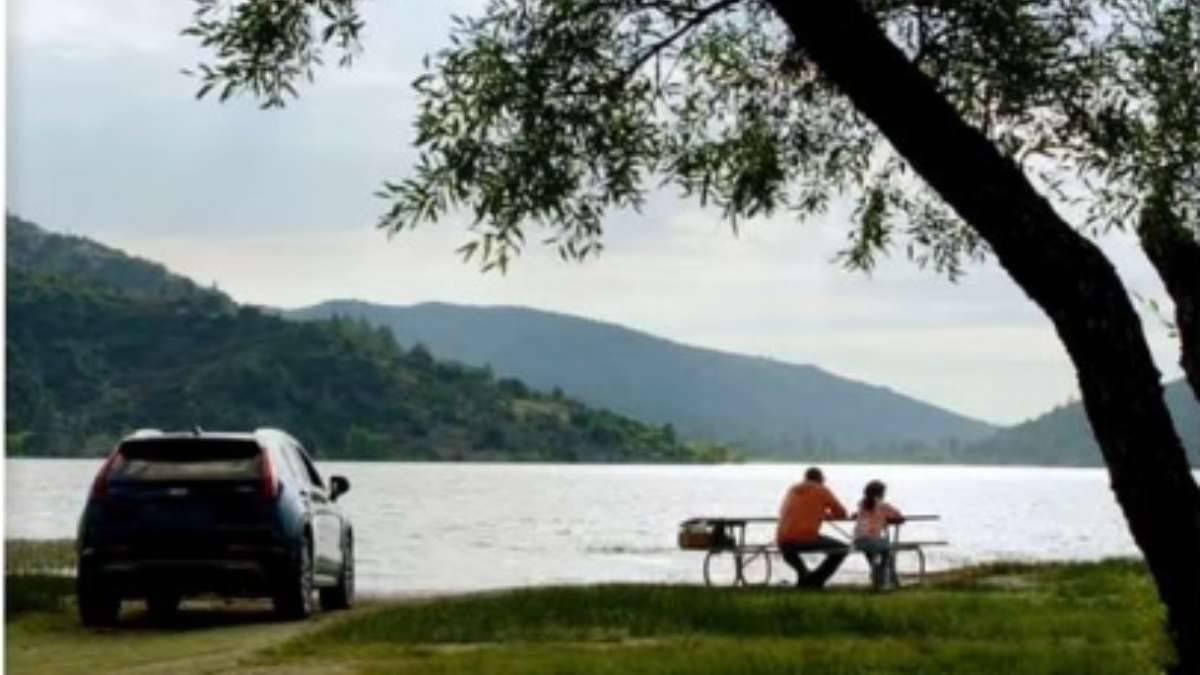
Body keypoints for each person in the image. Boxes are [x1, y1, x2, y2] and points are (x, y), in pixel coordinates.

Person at [776, 467, 849, 588]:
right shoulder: (821, 490)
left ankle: (805, 577)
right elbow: (842, 513)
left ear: (805, 478)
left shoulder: (792, 489)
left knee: (790, 551)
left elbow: (791, 510)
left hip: (782, 539)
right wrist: (825, 515)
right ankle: (815, 579)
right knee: (843, 548)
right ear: (820, 479)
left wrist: (818, 513)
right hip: (805, 538)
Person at [853, 480, 904, 590]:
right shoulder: (882, 505)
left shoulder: (861, 504)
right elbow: (899, 516)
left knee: (874, 553)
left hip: (858, 541)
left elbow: (860, 515)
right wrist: (892, 519)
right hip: (871, 541)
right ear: (881, 494)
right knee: (887, 550)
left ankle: (878, 577)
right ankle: (885, 579)